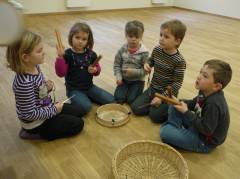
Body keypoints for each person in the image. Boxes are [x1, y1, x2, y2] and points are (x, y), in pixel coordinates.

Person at [6, 30, 84, 140]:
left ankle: (52, 118)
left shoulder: (35, 66)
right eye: (39, 51)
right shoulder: (24, 84)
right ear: (26, 58)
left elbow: (38, 93)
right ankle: (32, 133)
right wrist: (54, 110)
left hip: (45, 108)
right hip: (36, 123)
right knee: (78, 124)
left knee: (79, 111)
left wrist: (47, 88)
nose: (44, 53)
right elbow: (29, 114)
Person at [160, 59, 232, 153]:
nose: (199, 77)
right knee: (174, 106)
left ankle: (175, 131)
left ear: (216, 86)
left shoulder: (213, 104)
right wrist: (178, 101)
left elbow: (207, 130)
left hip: (204, 140)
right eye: (200, 72)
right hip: (198, 126)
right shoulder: (205, 90)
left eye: (205, 76)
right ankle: (176, 131)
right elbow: (194, 103)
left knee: (165, 132)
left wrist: (186, 112)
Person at [131, 19, 187, 123]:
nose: (161, 39)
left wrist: (162, 98)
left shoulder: (179, 61)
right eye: (160, 35)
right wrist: (147, 64)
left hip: (167, 95)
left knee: (155, 117)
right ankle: (155, 107)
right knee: (135, 108)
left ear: (177, 41)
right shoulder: (157, 49)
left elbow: (177, 84)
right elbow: (151, 60)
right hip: (153, 89)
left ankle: (168, 107)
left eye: (166, 37)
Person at [55, 22, 115, 115]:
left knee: (111, 100)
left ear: (88, 40)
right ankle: (81, 98)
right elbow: (61, 73)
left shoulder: (91, 54)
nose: (80, 41)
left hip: (89, 87)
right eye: (77, 37)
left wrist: (95, 70)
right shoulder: (67, 54)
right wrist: (60, 57)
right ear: (71, 37)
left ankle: (86, 97)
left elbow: (97, 69)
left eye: (84, 39)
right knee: (86, 107)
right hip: (74, 89)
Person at [113, 20, 149, 104]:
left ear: (141, 36)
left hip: (138, 81)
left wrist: (134, 72)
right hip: (124, 80)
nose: (133, 39)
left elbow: (146, 71)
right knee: (118, 98)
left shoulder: (144, 53)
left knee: (131, 100)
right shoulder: (121, 50)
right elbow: (116, 65)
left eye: (136, 37)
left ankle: (135, 91)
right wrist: (119, 77)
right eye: (130, 36)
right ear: (126, 35)